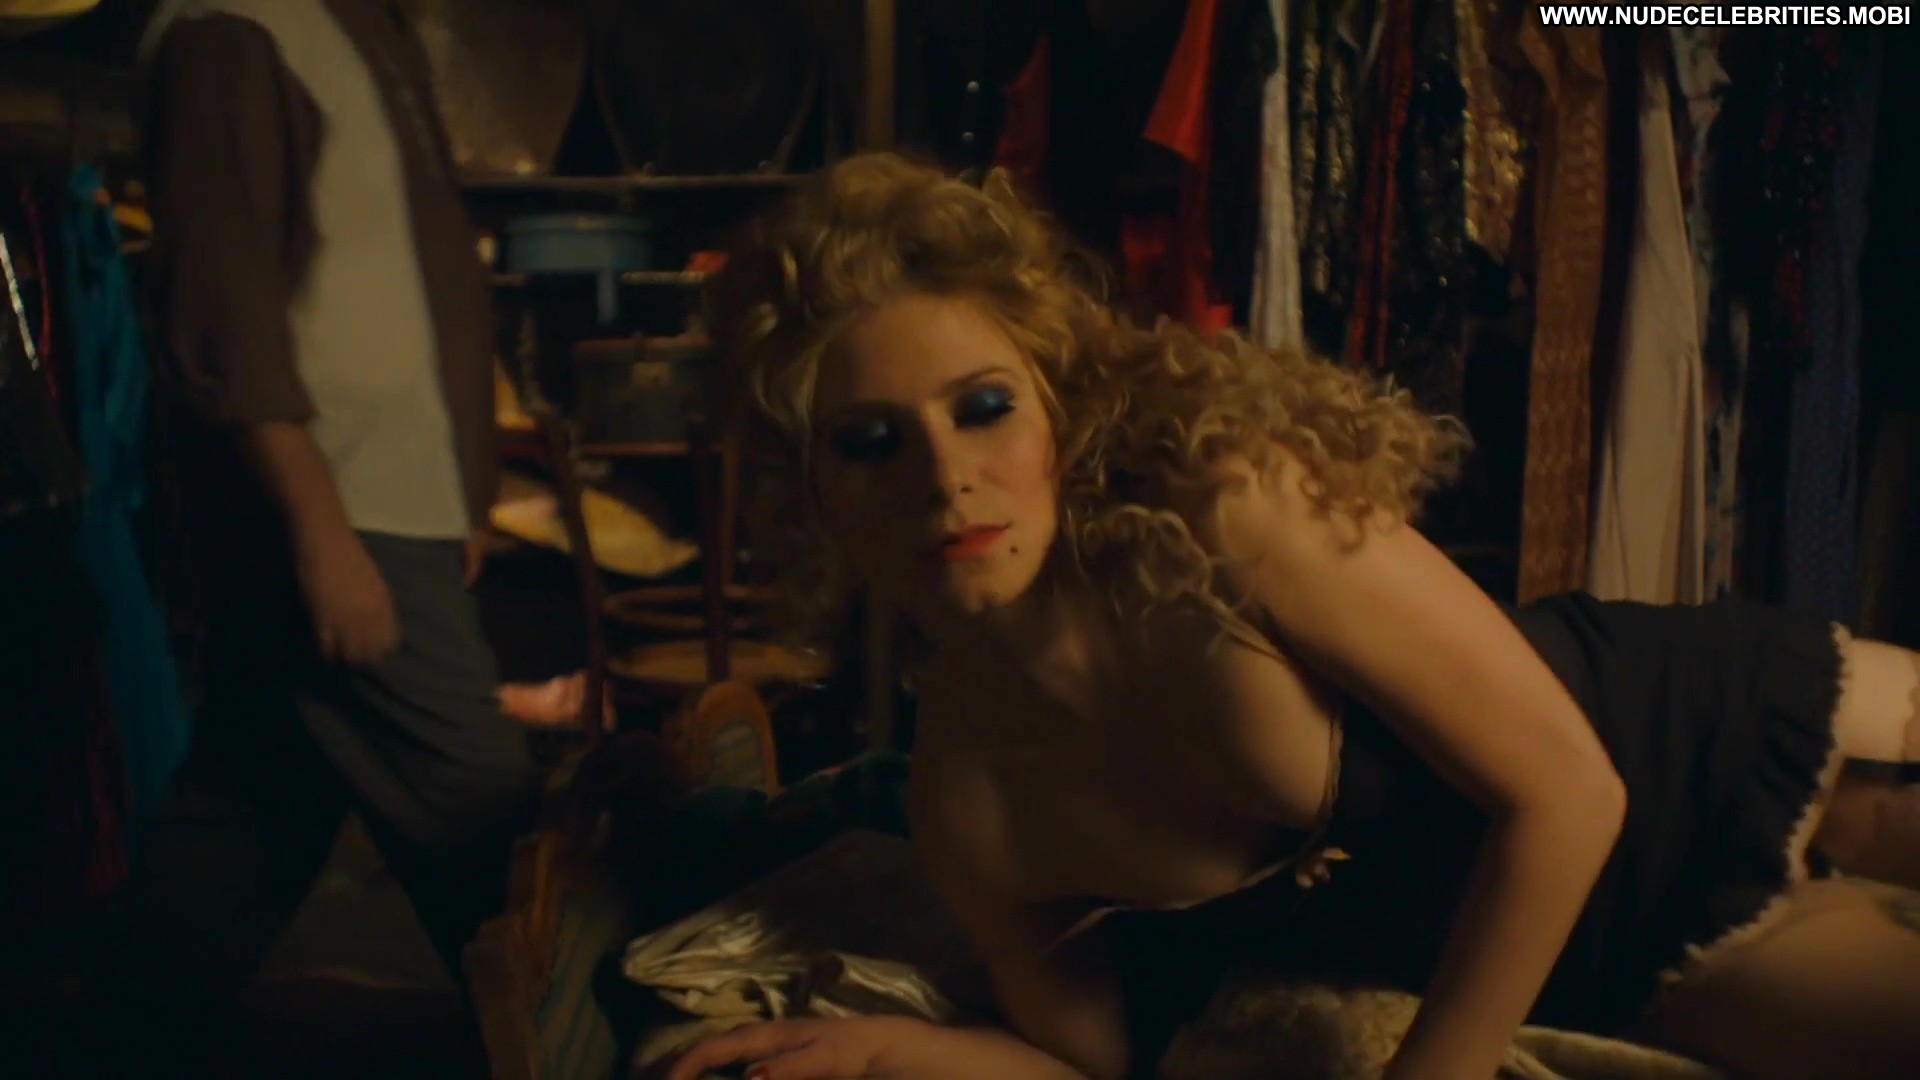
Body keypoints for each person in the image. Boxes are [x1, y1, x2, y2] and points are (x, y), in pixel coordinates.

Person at [663, 153, 1920, 1080]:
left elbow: (1569, 789)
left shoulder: (1216, 508)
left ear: (1054, 403)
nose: (946, 476)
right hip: (1632, 952)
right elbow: (1097, 1067)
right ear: (812, 492)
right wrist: (897, 1052)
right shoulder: (968, 806)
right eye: (872, 442)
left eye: (983, 408)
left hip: (1715, 732)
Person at [56, 0, 538, 1072]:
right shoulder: (231, 28)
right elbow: (224, 302)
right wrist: (321, 535)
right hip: (335, 501)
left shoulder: (358, 29)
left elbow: (406, 278)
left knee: (253, 805)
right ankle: (576, 1049)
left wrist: (459, 490)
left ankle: (105, 1045)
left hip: (388, 504)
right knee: (486, 816)